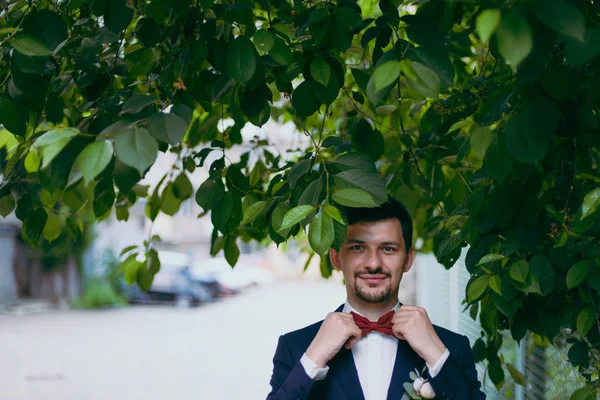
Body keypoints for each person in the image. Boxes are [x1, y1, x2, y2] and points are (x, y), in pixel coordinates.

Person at [266, 197, 485, 400]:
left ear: (408, 259)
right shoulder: (296, 348)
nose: (373, 263)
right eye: (358, 248)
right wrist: (313, 360)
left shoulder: (451, 348)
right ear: (336, 258)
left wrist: (437, 356)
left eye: (388, 249)